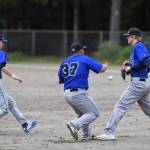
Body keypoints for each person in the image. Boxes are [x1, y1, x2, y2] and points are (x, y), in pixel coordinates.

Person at [96, 27, 150, 140]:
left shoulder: (138, 46)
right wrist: (128, 64)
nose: (127, 38)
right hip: (143, 83)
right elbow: (147, 66)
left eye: (128, 36)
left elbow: (144, 63)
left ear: (134, 37)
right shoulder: (138, 48)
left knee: (120, 106)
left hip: (138, 84)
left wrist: (131, 69)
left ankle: (108, 132)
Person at [58, 42, 109, 141]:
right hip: (78, 93)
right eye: (83, 49)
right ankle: (74, 124)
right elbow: (100, 69)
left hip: (67, 94)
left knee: (83, 113)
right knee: (94, 113)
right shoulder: (84, 58)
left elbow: (61, 78)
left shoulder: (65, 61)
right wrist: (106, 65)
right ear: (81, 50)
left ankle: (86, 135)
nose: (84, 51)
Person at [0, 34, 37, 133]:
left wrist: (13, 76)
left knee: (11, 102)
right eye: (2, 42)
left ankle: (25, 125)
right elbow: (2, 66)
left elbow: (2, 67)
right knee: (4, 108)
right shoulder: (0, 52)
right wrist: (14, 77)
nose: (3, 44)